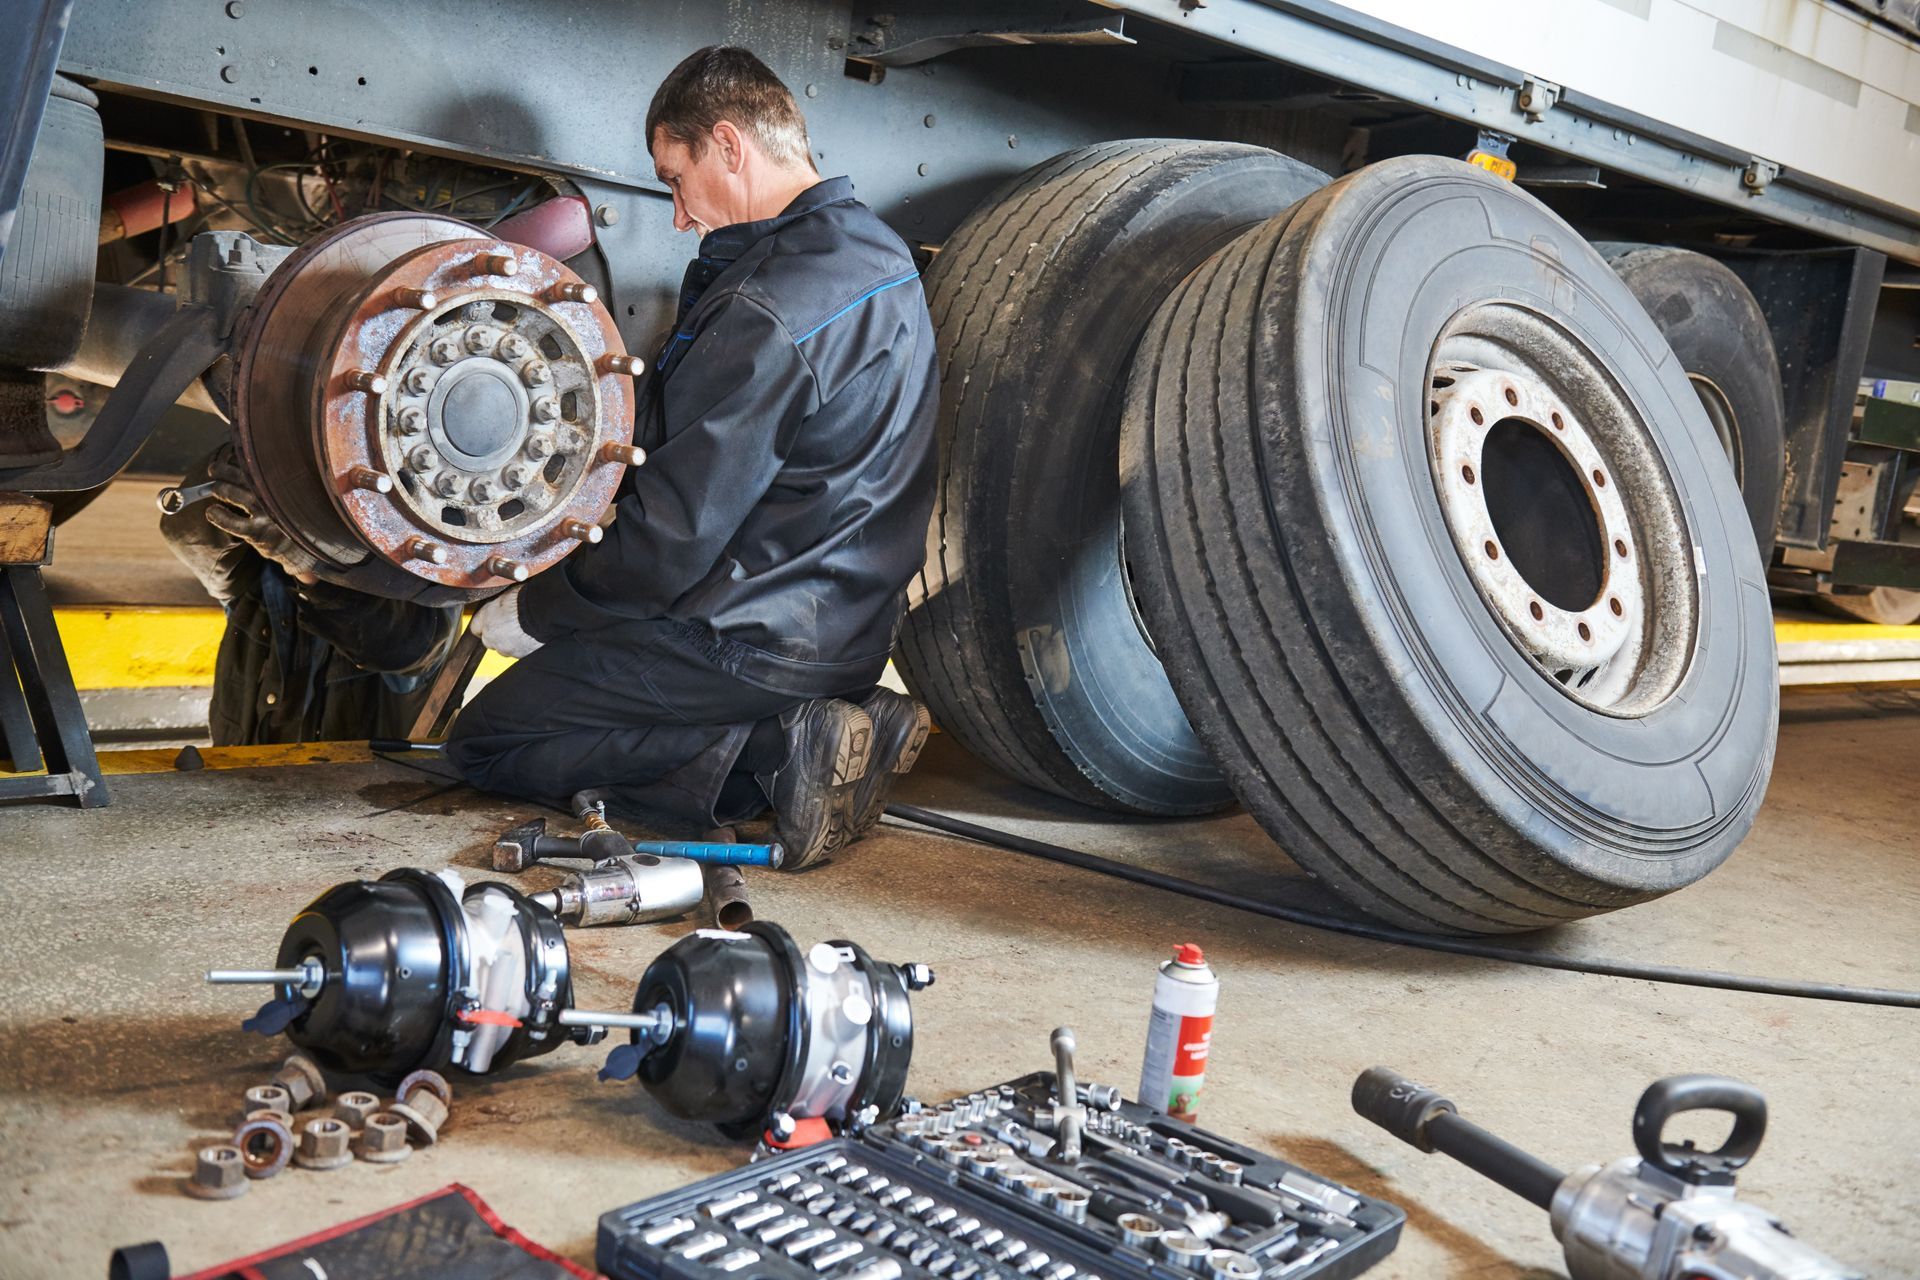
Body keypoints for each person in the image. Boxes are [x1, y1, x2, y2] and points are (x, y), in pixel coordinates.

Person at [445, 46, 938, 868]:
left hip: (750, 642)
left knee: (487, 742)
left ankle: (774, 757)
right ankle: (844, 721)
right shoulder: (881, 258)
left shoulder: (764, 304)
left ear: (730, 145)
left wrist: (537, 613)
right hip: (847, 634)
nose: (678, 215)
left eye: (675, 178)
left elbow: (669, 545)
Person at [160, 444, 461, 744]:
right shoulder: (259, 574)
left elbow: (405, 648)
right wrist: (241, 457)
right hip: (243, 782)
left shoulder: (423, 585)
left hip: (356, 789)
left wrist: (308, 565)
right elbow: (183, 530)